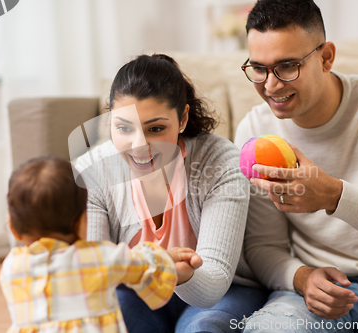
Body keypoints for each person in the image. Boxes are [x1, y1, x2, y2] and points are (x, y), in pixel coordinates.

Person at [234, 0, 358, 332]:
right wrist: (302, 278)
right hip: (310, 297)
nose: (270, 86)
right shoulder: (254, 132)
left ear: (326, 57)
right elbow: (263, 246)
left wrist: (334, 196)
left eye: (287, 66)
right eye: (259, 68)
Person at [75, 54, 268, 333]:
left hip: (222, 293)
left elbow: (213, 284)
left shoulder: (220, 161)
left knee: (204, 328)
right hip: (137, 293)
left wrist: (178, 274)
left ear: (182, 119)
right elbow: (95, 275)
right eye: (123, 128)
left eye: (156, 129)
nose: (139, 146)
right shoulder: (92, 170)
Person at [0, 156, 203, 333]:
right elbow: (142, 263)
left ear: (12, 227)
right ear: (81, 222)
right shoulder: (98, 257)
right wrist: (168, 257)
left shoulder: (10, 267)